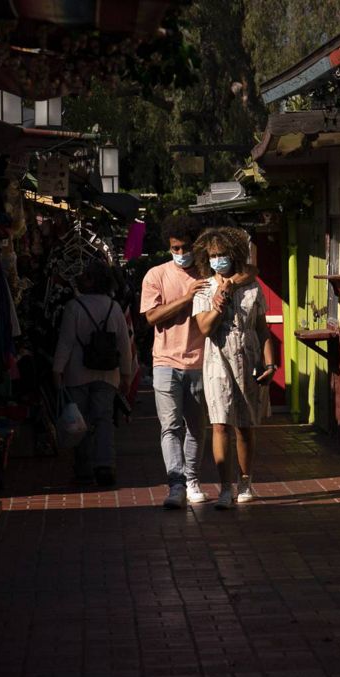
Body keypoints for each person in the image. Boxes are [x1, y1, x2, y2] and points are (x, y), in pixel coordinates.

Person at [141, 214, 258, 509]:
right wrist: (186, 297)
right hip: (165, 361)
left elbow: (248, 273)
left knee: (197, 427)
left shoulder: (207, 272)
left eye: (185, 247)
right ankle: (176, 483)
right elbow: (151, 317)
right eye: (175, 248)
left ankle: (193, 480)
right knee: (170, 426)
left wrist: (230, 281)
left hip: (202, 362)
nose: (181, 253)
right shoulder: (156, 275)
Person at [191, 227, 277, 510]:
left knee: (245, 424)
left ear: (234, 255)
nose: (218, 260)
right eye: (213, 255)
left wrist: (270, 361)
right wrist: (219, 304)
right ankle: (224, 487)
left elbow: (262, 329)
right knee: (220, 422)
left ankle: (245, 481)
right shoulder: (205, 288)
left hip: (248, 355)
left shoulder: (252, 287)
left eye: (223, 254)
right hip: (218, 359)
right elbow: (204, 328)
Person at [53, 262, 135, 486]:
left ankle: (83, 467)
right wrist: (127, 374)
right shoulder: (114, 307)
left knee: (80, 421)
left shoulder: (74, 306)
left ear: (90, 280)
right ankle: (105, 465)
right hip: (108, 373)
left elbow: (66, 342)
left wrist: (57, 370)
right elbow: (124, 344)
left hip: (77, 373)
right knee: (104, 419)